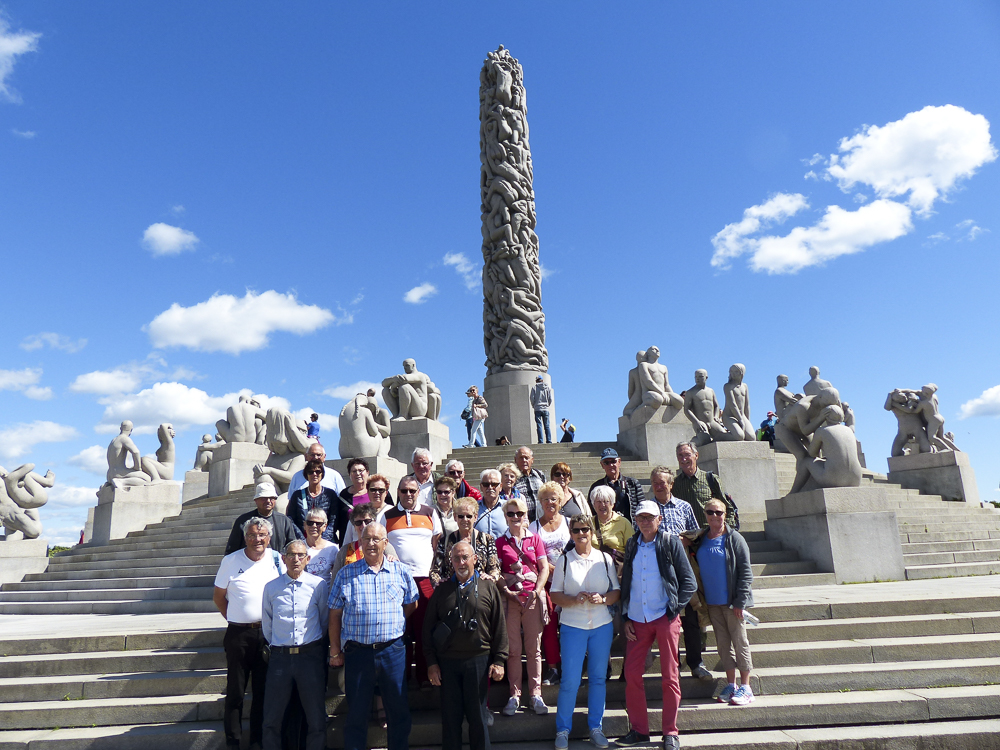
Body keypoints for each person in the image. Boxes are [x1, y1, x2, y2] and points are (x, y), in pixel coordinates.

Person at [328, 523, 418, 750]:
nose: (370, 543)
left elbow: (411, 604)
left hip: (392, 651)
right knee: (357, 711)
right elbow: (335, 614)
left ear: (385, 543)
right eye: (366, 539)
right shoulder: (346, 574)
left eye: (376, 539)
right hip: (358, 653)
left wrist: (393, 623)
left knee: (397, 709)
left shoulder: (401, 571)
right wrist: (335, 650)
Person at [615, 501, 697, 750]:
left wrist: (674, 610)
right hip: (638, 619)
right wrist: (626, 616)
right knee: (631, 673)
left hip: (664, 617)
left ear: (659, 519)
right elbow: (627, 581)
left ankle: (670, 731)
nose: (645, 522)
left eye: (650, 518)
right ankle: (639, 730)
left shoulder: (670, 542)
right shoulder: (632, 544)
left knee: (670, 676)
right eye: (640, 518)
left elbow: (689, 582)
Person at [423, 542, 508, 750]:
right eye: (456, 558)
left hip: (478, 661)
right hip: (448, 663)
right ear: (450, 561)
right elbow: (427, 630)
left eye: (465, 557)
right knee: (450, 720)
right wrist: (431, 663)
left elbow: (499, 626)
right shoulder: (442, 590)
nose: (461, 562)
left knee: (478, 718)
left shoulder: (488, 587)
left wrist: (499, 660)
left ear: (475, 559)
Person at [550, 514, 621, 750]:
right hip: (573, 626)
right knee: (570, 680)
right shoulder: (564, 560)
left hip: (601, 625)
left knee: (599, 678)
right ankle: (562, 730)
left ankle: (596, 727)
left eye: (585, 529)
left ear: (592, 532)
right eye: (576, 530)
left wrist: (603, 598)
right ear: (571, 534)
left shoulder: (605, 558)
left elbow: (616, 592)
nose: (581, 534)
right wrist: (573, 599)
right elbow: (555, 594)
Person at [213, 516, 285, 750]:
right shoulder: (231, 561)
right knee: (235, 693)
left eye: (262, 535)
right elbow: (218, 597)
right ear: (245, 537)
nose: (257, 539)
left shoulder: (276, 560)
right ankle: (233, 742)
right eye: (252, 535)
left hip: (266, 635)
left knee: (262, 693)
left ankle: (257, 742)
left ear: (269, 537)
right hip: (238, 636)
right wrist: (236, 618)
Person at [262, 539, 329, 750]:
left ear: (308, 559)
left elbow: (324, 620)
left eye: (301, 555)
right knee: (272, 717)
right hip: (280, 658)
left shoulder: (318, 585)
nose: (296, 559)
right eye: (291, 555)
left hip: (309, 656)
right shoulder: (271, 588)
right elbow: (268, 624)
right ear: (283, 558)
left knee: (316, 717)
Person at [690, 498, 755, 706]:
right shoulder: (701, 538)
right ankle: (731, 684)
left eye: (719, 512)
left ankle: (746, 686)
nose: (715, 516)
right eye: (710, 512)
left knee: (740, 642)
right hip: (712, 602)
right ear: (705, 514)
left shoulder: (734, 538)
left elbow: (745, 572)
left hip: (731, 603)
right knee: (723, 645)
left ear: (725, 514)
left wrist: (740, 601)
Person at [649, 467, 710, 682]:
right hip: (658, 571)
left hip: (683, 569)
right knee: (667, 621)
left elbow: (696, 533)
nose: (658, 486)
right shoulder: (647, 508)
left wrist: (685, 539)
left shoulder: (684, 507)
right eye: (655, 482)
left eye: (662, 482)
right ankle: (672, 664)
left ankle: (696, 662)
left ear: (671, 484)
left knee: (691, 618)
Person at [381, 475, 442, 687]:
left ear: (418, 492)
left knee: (426, 628)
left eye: (412, 491)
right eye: (404, 491)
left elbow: (437, 543)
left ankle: (425, 676)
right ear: (398, 492)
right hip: (397, 581)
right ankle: (403, 676)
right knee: (401, 630)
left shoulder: (430, 512)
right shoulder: (387, 515)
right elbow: (382, 543)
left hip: (424, 579)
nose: (408, 494)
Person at [496, 496, 550, 716]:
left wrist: (537, 591)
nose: (516, 517)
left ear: (526, 515)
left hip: (532, 598)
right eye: (511, 514)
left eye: (519, 513)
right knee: (514, 650)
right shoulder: (500, 542)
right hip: (511, 600)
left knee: (533, 649)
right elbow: (496, 571)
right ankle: (514, 694)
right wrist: (506, 590)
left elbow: (544, 568)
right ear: (506, 517)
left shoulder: (535, 539)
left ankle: (536, 694)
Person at [529, 482, 570, 686]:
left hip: (569, 583)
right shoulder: (534, 526)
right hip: (546, 584)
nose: (549, 502)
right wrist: (550, 569)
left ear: (560, 500)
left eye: (553, 498)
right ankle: (553, 668)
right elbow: (531, 555)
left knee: (571, 627)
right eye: (545, 499)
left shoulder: (569, 523)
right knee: (549, 625)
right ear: (540, 502)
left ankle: (571, 668)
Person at [430, 497, 501, 585]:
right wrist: (439, 582)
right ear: (455, 517)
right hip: (453, 590)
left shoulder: (487, 539)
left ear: (475, 517)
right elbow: (435, 571)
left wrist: (491, 578)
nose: (465, 519)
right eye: (461, 516)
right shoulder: (445, 541)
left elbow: (494, 568)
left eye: (469, 516)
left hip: (479, 589)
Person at [225, 482, 303, 556]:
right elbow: (232, 549)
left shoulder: (284, 520)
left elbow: (292, 545)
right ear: (256, 500)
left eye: (272, 498)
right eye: (264, 498)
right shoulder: (243, 521)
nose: (268, 501)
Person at [672, 442, 737, 528]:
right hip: (687, 535)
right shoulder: (674, 484)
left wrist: (726, 530)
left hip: (709, 533)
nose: (684, 459)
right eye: (680, 455)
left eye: (687, 454)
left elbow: (727, 507)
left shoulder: (710, 479)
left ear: (696, 455)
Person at [330, 503, 399, 582]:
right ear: (354, 526)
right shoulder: (344, 551)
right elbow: (335, 581)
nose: (363, 525)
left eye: (367, 521)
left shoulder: (384, 545)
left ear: (374, 521)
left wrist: (391, 559)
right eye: (358, 523)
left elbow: (396, 567)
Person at [287, 461, 341, 543]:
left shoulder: (330, 494)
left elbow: (334, 520)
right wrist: (303, 540)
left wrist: (323, 541)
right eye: (311, 472)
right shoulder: (297, 495)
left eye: (318, 471)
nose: (314, 474)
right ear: (306, 475)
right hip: (302, 542)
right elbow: (290, 519)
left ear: (322, 474)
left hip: (326, 542)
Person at [588, 448, 645, 526]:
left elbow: (642, 507)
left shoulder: (632, 483)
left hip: (630, 528)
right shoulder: (597, 487)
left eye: (613, 461)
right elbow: (591, 510)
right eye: (606, 462)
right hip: (606, 530)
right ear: (602, 465)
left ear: (619, 462)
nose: (610, 465)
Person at [342, 473, 393, 546]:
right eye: (373, 490)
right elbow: (347, 541)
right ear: (367, 491)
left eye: (381, 490)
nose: (377, 493)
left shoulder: (392, 513)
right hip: (356, 555)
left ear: (386, 493)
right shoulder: (357, 512)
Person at [302, 508, 340, 585]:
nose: (314, 526)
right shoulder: (298, 547)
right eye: (310, 523)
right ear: (305, 525)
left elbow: (338, 575)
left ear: (324, 526)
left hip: (326, 593)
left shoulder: (333, 549)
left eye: (318, 523)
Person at [513, 447, 546, 520]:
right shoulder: (512, 477)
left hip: (541, 518)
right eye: (521, 458)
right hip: (523, 519)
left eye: (526, 458)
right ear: (515, 460)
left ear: (532, 460)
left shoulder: (539, 474)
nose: (524, 460)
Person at [475, 469, 508, 538]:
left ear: (500, 487)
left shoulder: (508, 507)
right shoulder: (473, 508)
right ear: (481, 487)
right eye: (486, 484)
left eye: (494, 484)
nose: (490, 488)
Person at [530, 375, 554, 443]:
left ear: (536, 380)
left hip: (537, 408)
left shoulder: (534, 388)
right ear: (542, 380)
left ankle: (540, 441)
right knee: (547, 425)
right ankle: (549, 440)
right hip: (545, 408)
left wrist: (534, 405)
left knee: (539, 425)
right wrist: (547, 404)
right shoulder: (547, 388)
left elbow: (532, 398)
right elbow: (550, 399)